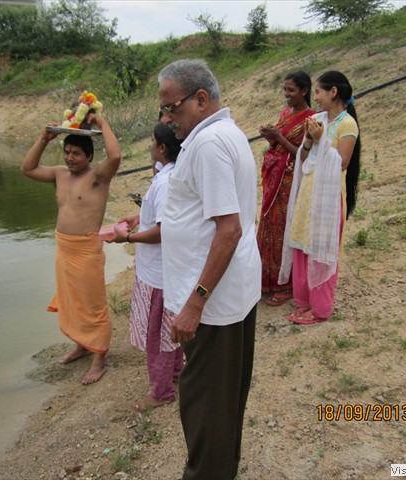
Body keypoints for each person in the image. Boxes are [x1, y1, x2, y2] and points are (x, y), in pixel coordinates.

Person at [158, 59, 261, 480]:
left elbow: (229, 229)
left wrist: (194, 305)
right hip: (231, 295)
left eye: (172, 108)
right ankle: (222, 469)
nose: (167, 119)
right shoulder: (224, 134)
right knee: (222, 402)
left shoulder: (208, 144)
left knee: (204, 404)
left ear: (201, 99)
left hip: (214, 306)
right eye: (163, 111)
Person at [21, 113, 121, 384]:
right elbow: (28, 169)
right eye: (66, 152)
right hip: (63, 248)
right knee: (71, 302)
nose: (69, 157)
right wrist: (44, 139)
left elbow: (114, 157)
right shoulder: (58, 174)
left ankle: (99, 358)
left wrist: (102, 124)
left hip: (86, 250)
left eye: (76, 153)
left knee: (93, 304)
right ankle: (80, 345)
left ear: (89, 156)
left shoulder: (98, 177)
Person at [109, 123, 184, 411]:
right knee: (168, 332)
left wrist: (126, 237)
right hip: (164, 272)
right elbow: (162, 215)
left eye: (152, 141)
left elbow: (165, 230)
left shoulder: (164, 182)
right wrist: (139, 215)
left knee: (159, 336)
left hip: (159, 275)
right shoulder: (170, 175)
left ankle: (162, 391)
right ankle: (175, 375)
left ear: (162, 148)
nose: (149, 145)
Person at [278, 70, 361, 325]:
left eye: (318, 92)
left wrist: (320, 138)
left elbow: (343, 163)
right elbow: (304, 157)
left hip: (328, 196)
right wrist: (308, 141)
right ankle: (304, 302)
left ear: (333, 92)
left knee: (321, 250)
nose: (316, 97)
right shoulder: (316, 119)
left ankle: (320, 309)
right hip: (308, 192)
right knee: (303, 244)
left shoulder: (347, 124)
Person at [257, 71, 316, 306]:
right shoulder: (285, 113)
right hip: (274, 180)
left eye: (291, 90)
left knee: (285, 229)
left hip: (291, 183)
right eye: (285, 90)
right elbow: (280, 144)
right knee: (268, 227)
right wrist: (270, 137)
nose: (286, 94)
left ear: (305, 91)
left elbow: (303, 154)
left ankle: (287, 284)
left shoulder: (312, 119)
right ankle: (268, 281)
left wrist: (278, 137)